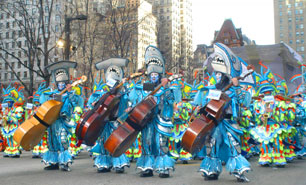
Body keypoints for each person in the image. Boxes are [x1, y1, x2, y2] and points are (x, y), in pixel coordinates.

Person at [193, 43, 251, 182]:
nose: (217, 76)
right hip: (214, 122)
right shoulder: (211, 89)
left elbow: (243, 102)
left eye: (220, 74)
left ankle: (239, 171)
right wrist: (200, 109)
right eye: (216, 73)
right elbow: (207, 105)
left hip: (228, 121)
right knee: (212, 144)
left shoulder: (233, 89)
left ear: (225, 75)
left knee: (233, 144)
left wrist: (236, 87)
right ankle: (212, 170)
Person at [40, 61, 82, 171]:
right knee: (51, 141)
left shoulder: (70, 94)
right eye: (59, 83)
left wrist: (69, 92)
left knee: (63, 140)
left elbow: (75, 103)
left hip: (63, 121)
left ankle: (64, 163)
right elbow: (43, 103)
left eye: (63, 83)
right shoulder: (51, 94)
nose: (61, 85)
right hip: (52, 121)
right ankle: (53, 162)